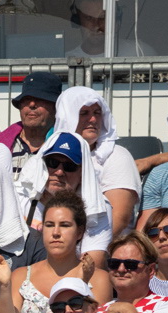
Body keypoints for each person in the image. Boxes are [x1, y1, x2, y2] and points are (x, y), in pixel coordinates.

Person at [0, 191, 112, 313]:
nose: (56, 233)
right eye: (49, 225)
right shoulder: (21, 275)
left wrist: (82, 283)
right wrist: (4, 286)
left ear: (80, 232)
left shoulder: (98, 278)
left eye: (65, 225)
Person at [15, 131, 112, 272]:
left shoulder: (97, 208)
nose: (59, 172)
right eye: (52, 163)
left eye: (69, 166)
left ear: (82, 172)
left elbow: (92, 265)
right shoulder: (19, 196)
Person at [55, 88, 142, 236]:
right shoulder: (49, 156)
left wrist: (82, 250)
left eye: (97, 113)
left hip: (106, 249)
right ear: (66, 116)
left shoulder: (117, 156)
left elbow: (118, 219)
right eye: (84, 113)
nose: (93, 119)